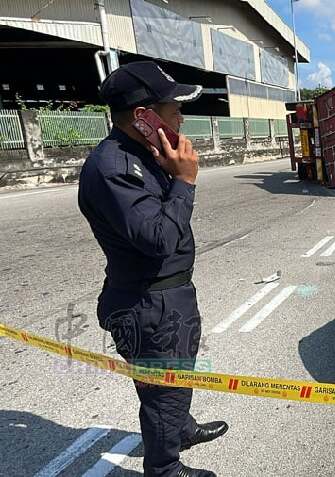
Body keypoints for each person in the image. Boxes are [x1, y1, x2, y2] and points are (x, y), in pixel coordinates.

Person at [78, 61, 227, 477]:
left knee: (174, 382)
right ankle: (163, 467)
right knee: (163, 391)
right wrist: (184, 181)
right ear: (144, 118)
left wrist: (169, 172)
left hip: (168, 294)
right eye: (173, 106)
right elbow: (159, 237)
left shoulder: (143, 156)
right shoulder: (113, 168)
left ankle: (180, 429)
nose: (181, 116)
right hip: (149, 302)